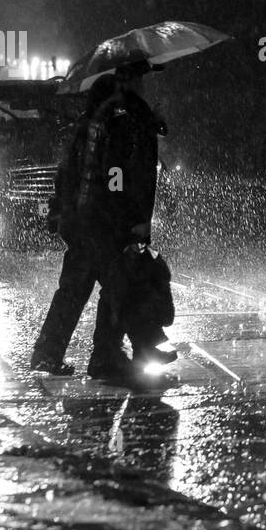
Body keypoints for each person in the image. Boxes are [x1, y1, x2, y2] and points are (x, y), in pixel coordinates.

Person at [29, 61, 169, 382]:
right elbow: (116, 175)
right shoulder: (118, 121)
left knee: (76, 289)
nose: (145, 87)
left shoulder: (89, 124)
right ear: (127, 84)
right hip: (103, 223)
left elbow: (68, 174)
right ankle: (108, 356)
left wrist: (62, 211)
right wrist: (128, 219)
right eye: (141, 80)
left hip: (84, 220)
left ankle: (49, 353)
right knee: (119, 286)